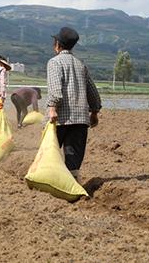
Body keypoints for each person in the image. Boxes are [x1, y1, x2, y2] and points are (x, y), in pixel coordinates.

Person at [47, 26, 101, 182]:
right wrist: (95, 112)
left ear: (57, 44)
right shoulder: (80, 64)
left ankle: (51, 182)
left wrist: (52, 108)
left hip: (60, 119)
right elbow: (92, 91)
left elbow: (56, 90)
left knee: (50, 152)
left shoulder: (54, 63)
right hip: (80, 120)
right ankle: (72, 185)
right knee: (73, 159)